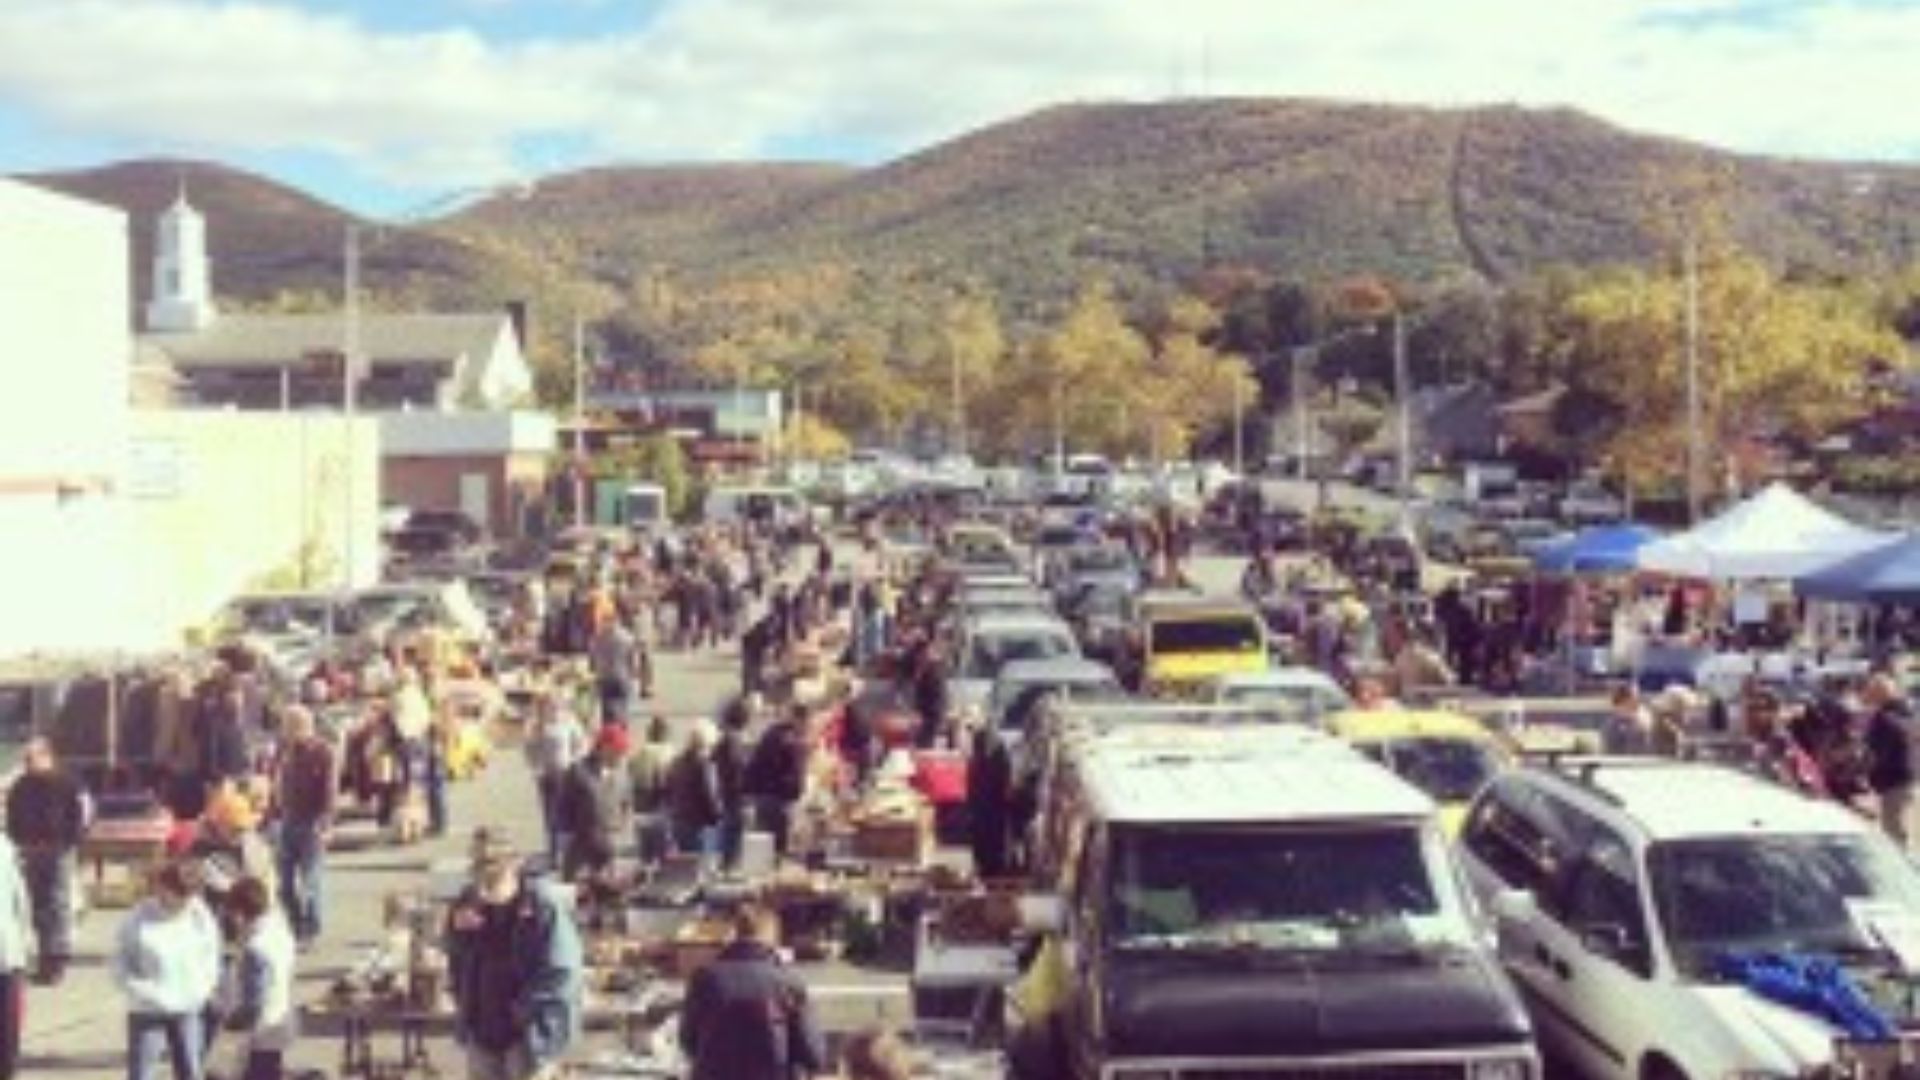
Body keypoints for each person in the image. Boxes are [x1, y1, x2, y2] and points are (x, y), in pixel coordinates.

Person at [445, 834, 583, 1080]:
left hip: (526, 1034)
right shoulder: (468, 901)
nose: (484, 872)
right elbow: (454, 955)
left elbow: (563, 969)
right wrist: (458, 935)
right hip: (482, 1029)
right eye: (478, 864)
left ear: (513, 864)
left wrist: (525, 1007)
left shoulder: (542, 905)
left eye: (492, 863)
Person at [679, 905, 826, 1080]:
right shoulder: (789, 983)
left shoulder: (705, 979)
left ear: (734, 935)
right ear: (773, 938)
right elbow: (814, 1056)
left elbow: (688, 1041)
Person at [112, 860, 223, 1080]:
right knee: (142, 1073)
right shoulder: (137, 918)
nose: (185, 902)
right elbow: (119, 964)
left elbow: (212, 956)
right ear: (162, 888)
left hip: (188, 1007)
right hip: (148, 1010)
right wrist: (142, 991)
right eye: (179, 895)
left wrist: (202, 990)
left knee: (190, 1069)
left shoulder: (199, 914)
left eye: (189, 896)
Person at [4, 735, 87, 985]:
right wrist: (18, 841)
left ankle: (58, 958)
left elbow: (81, 813)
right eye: (25, 759)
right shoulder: (21, 785)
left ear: (47, 756)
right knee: (37, 905)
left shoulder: (67, 783)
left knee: (58, 903)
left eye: (31, 758)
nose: (27, 764)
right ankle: (44, 956)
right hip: (30, 849)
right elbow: (12, 814)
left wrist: (70, 840)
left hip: (58, 848)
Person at [215, 876, 297, 1080]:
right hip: (278, 1021)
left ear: (240, 912)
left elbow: (254, 1000)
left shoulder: (256, 948)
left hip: (259, 1032)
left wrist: (230, 1026)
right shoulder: (280, 931)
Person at [270, 707, 335, 947]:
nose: (283, 731)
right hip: (287, 821)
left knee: (310, 880)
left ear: (301, 726)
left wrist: (326, 823)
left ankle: (311, 928)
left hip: (312, 823)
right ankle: (296, 924)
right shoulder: (283, 750)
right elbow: (275, 781)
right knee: (284, 882)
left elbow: (329, 791)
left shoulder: (323, 752)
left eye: (287, 726)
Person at [557, 725, 632, 881]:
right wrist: (566, 837)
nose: (621, 756)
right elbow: (563, 807)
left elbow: (626, 802)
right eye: (618, 751)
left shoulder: (621, 774)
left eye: (623, 752)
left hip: (609, 848)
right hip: (581, 848)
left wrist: (622, 824)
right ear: (604, 748)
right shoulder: (578, 772)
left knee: (609, 895)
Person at [523, 697, 589, 864]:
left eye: (555, 707)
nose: (552, 710)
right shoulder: (537, 727)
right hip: (548, 776)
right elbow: (530, 750)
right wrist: (537, 768)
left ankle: (571, 850)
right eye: (547, 708)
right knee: (550, 815)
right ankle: (554, 852)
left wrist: (574, 762)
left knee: (569, 815)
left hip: (567, 774)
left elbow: (582, 745)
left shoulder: (569, 722)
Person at [745, 704, 811, 859]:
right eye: (805, 722)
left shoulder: (774, 733)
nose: (806, 727)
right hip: (775, 799)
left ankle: (770, 874)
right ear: (799, 719)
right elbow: (790, 771)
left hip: (767, 797)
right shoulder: (786, 737)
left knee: (767, 847)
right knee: (777, 847)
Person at [1864, 675, 1917, 848]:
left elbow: (1879, 752)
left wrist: (1868, 771)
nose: (1867, 695)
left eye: (1871, 691)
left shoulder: (1884, 718)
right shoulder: (1906, 712)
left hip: (1893, 777)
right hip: (1906, 775)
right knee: (1895, 826)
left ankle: (1906, 869)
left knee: (1894, 830)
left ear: (1879, 694)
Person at [664, 723, 723, 865]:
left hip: (679, 820)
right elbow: (710, 796)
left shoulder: (677, 762)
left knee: (685, 868)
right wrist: (719, 817)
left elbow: (668, 789)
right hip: (699, 825)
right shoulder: (704, 765)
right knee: (702, 867)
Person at [0, 832, 31, 1080]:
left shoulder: (3, 845)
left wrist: (26, 939)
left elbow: (20, 896)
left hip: (8, 954)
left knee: (8, 1033)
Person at [628, 716, 676, 867]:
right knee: (663, 854)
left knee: (645, 855)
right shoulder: (669, 752)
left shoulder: (639, 753)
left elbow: (631, 771)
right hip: (660, 806)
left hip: (641, 807)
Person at [715, 703, 752, 871]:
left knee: (730, 833)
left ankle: (727, 865)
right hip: (735, 796)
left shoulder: (726, 740)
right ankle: (728, 866)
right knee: (733, 834)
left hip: (728, 795)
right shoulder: (733, 741)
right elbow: (737, 769)